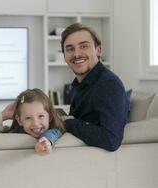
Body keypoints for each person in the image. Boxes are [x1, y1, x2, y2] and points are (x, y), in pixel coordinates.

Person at [60, 23, 130, 151]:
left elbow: (111, 140)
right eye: (70, 49)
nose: (76, 54)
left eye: (84, 46)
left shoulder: (108, 84)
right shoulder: (79, 85)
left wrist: (69, 123)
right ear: (64, 56)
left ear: (99, 50)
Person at [9, 88, 65, 155]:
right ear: (19, 120)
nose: (35, 123)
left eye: (41, 116)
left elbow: (56, 131)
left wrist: (46, 139)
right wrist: (3, 115)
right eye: (28, 118)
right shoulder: (14, 135)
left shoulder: (55, 130)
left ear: (50, 117)